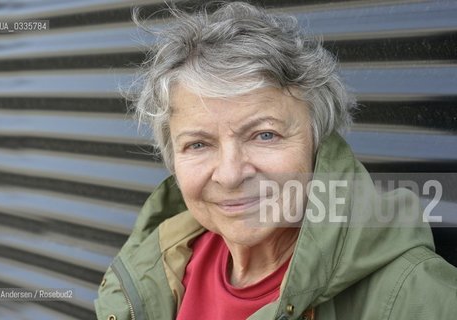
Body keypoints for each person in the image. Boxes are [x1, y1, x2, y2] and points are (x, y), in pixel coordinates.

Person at [95, 2, 457, 319]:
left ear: (318, 141)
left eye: (264, 135)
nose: (231, 173)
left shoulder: (416, 297)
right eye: (199, 144)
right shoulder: (152, 272)